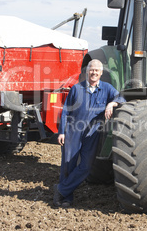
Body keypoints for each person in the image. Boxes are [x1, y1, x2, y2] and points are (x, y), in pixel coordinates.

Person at [53, 59, 125, 208]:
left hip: (92, 133)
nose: (94, 73)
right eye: (91, 70)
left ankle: (61, 189)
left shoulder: (107, 88)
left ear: (101, 73)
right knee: (68, 165)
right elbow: (66, 111)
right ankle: (66, 198)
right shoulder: (76, 88)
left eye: (97, 71)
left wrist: (112, 103)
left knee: (86, 166)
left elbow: (121, 98)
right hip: (73, 131)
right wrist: (62, 132)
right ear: (87, 72)